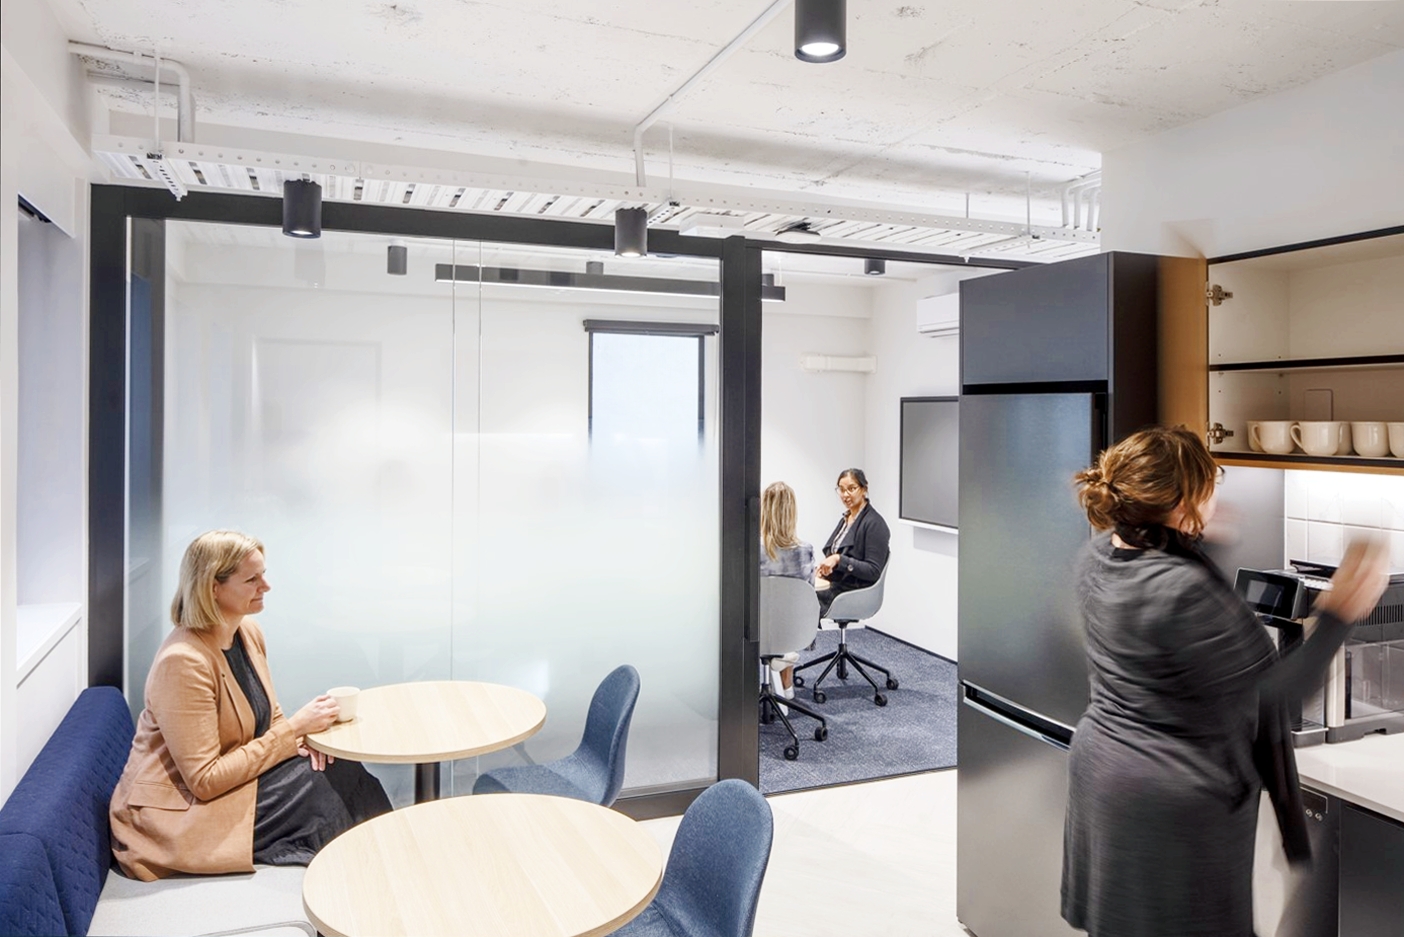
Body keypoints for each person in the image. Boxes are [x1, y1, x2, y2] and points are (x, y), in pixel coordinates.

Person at [1061, 426, 1389, 937]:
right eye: (1210, 481)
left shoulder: (1101, 554)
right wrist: (1339, 614)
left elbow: (1169, 645)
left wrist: (1202, 541)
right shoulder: (1184, 589)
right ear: (1182, 503)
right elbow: (1272, 698)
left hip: (1104, 774)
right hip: (1170, 802)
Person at [110, 531, 391, 881]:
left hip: (232, 783)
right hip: (177, 813)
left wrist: (301, 742)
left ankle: (387, 863)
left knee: (338, 765)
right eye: (252, 579)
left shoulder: (247, 632)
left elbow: (269, 718)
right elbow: (204, 780)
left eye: (263, 575)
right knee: (323, 790)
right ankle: (368, 878)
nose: (266, 586)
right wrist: (293, 731)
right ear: (213, 587)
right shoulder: (182, 662)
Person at [759, 481, 817, 698]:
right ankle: (787, 683)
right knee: (787, 609)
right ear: (792, 513)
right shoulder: (804, 551)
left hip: (755, 630)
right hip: (793, 631)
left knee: (768, 609)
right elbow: (807, 594)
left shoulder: (751, 549)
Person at [815, 468, 890, 616]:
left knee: (804, 602)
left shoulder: (875, 524)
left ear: (864, 489)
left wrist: (839, 560)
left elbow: (873, 571)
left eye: (851, 489)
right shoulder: (846, 519)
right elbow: (834, 553)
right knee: (800, 593)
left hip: (853, 590)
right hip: (837, 584)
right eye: (841, 490)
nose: (845, 495)